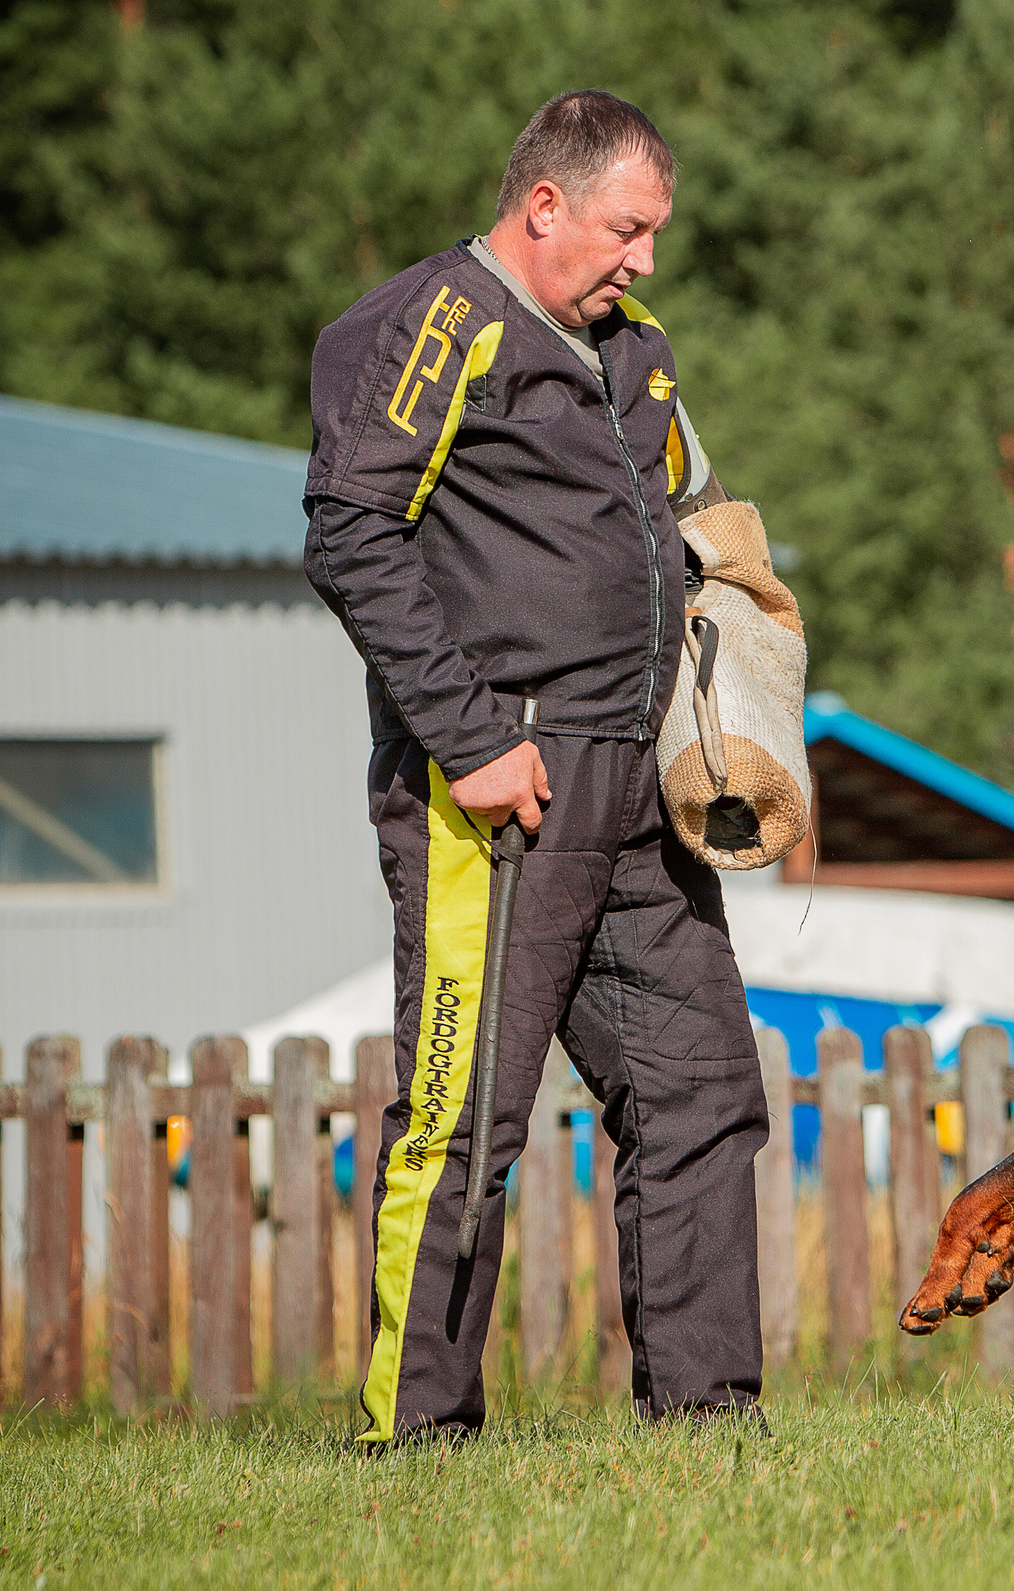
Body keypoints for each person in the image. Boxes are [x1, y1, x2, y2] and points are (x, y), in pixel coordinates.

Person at [303, 90, 766, 1444]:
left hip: (642, 787)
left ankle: (708, 1422)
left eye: (658, 235)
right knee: (461, 1125)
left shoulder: (638, 352)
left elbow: (693, 522)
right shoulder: (428, 327)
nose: (645, 261)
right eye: (629, 229)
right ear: (545, 204)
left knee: (701, 1097)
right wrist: (474, 736)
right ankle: (418, 1437)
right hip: (501, 787)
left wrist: (741, 713)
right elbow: (351, 536)